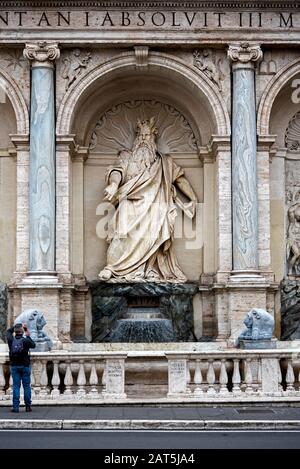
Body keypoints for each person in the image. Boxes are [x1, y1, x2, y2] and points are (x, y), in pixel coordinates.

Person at [98, 117, 197, 283]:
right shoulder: (127, 156)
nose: (144, 140)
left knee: (153, 236)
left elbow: (179, 179)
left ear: (153, 139)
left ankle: (149, 270)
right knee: (120, 235)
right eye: (141, 136)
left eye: (147, 136)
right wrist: (114, 185)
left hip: (155, 207)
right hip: (129, 204)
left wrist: (192, 198)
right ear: (137, 139)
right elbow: (117, 171)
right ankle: (113, 267)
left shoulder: (164, 162)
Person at [7, 322, 36, 413]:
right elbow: (33, 345)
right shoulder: (26, 341)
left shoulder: (11, 339)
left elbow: (8, 331)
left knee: (16, 386)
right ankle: (28, 406)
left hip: (14, 366)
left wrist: (16, 325)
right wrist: (27, 331)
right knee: (26, 386)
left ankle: (16, 407)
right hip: (25, 366)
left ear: (15, 332)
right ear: (22, 332)